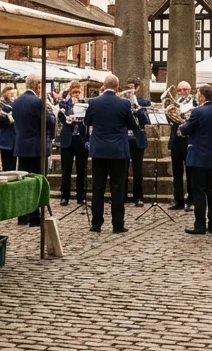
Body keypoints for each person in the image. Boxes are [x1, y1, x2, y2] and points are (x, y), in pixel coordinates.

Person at [85, 74, 137, 233]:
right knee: (118, 188)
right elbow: (131, 125)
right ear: (117, 86)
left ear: (103, 85)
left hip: (99, 151)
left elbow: (87, 122)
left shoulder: (93, 102)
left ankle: (96, 223)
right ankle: (118, 224)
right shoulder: (124, 104)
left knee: (98, 188)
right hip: (118, 151)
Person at [180, 85, 212, 235]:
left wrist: (183, 125)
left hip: (198, 156)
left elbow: (186, 129)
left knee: (199, 191)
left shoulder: (198, 111)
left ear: (201, 96)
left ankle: (200, 224)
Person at [12, 74, 56, 226]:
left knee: (23, 182)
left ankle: (22, 216)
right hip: (37, 147)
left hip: (21, 146)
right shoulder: (38, 102)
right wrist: (51, 112)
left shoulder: (16, 101)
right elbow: (48, 122)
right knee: (37, 180)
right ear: (38, 85)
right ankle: (35, 215)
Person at [58, 82, 88, 206]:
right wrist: (67, 114)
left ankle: (81, 196)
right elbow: (61, 118)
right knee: (66, 169)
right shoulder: (64, 103)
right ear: (70, 92)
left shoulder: (84, 104)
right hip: (67, 139)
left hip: (80, 139)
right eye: (74, 92)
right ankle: (65, 196)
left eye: (78, 92)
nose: (76, 94)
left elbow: (88, 118)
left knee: (81, 169)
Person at [124, 78, 152, 206]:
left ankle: (138, 197)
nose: (130, 90)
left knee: (138, 169)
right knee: (123, 168)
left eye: (132, 87)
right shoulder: (122, 102)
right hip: (124, 138)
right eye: (128, 87)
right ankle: (122, 196)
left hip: (138, 138)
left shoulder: (143, 102)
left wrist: (138, 108)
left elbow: (146, 121)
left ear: (137, 88)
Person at [167, 81, 194, 210]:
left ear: (190, 91)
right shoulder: (172, 105)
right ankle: (178, 199)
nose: (183, 92)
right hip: (176, 140)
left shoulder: (194, 104)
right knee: (177, 172)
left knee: (190, 172)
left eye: (186, 90)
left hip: (189, 141)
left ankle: (191, 200)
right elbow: (169, 121)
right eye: (180, 90)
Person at [0, 85, 17, 171]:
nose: (12, 96)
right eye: (10, 94)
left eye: (13, 94)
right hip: (5, 141)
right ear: (4, 93)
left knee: (13, 167)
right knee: (7, 167)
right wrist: (11, 116)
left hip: (14, 141)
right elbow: (4, 122)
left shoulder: (14, 105)